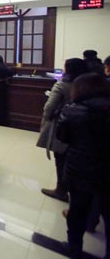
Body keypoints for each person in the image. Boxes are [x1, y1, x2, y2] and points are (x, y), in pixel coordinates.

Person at [57, 73, 110, 259]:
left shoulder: (72, 110)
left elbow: (62, 136)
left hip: (81, 167)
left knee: (77, 211)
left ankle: (74, 249)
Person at [37, 58, 88, 202]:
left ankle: (61, 190)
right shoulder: (86, 84)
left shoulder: (62, 85)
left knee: (60, 158)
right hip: (82, 127)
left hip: (63, 124)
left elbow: (48, 108)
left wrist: (46, 119)